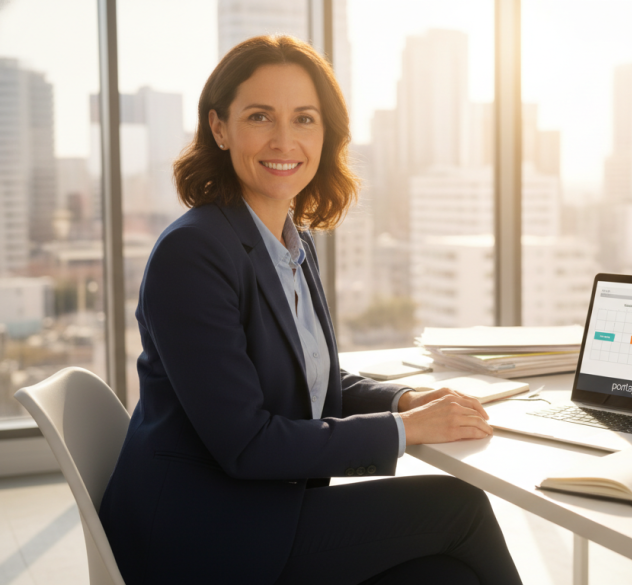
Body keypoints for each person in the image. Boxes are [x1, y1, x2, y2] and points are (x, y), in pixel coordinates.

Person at [98, 36, 522, 585]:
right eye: (259, 116)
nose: (284, 139)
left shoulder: (290, 244)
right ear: (219, 128)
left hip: (260, 510)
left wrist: (406, 399)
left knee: (446, 574)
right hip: (201, 534)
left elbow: (309, 383)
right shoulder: (194, 251)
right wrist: (405, 427)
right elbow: (246, 443)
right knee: (458, 507)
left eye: (304, 119)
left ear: (326, 135)